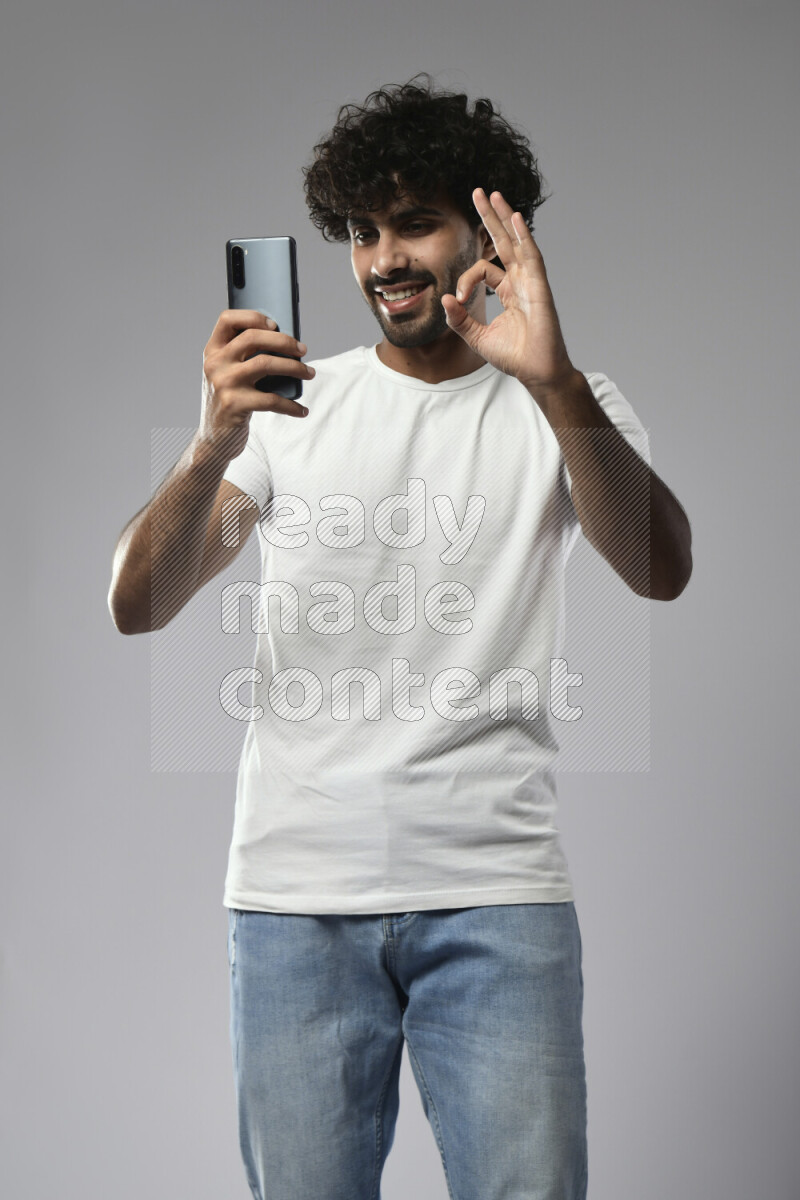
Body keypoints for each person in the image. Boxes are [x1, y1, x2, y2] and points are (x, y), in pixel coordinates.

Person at [108, 74, 692, 1200]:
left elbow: (659, 568)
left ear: (488, 230)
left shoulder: (569, 403)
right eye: (362, 231)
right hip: (293, 905)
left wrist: (553, 380)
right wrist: (208, 446)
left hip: (496, 894)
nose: (383, 258)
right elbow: (140, 601)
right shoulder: (287, 414)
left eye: (413, 222)